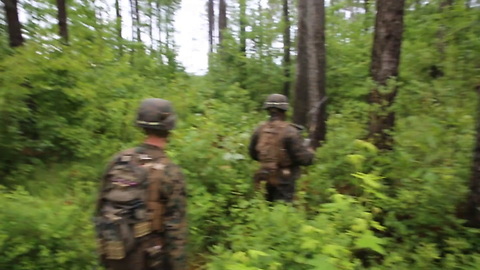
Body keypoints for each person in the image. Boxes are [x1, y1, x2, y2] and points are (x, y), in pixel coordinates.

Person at [94, 98, 187, 270]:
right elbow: (175, 232)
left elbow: (100, 206)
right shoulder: (171, 171)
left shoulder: (118, 160)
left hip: (116, 253)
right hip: (150, 259)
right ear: (169, 128)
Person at [249, 94, 314, 202]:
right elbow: (304, 159)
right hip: (284, 179)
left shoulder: (259, 130)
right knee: (283, 210)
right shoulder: (290, 131)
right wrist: (310, 152)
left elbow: (253, 154)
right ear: (284, 110)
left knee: (265, 208)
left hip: (263, 176)